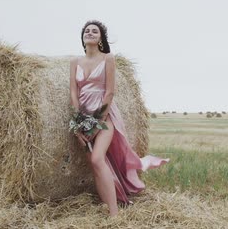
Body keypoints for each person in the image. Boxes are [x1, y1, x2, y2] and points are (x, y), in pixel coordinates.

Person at [69, 20, 169, 216]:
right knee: (95, 164)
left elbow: (109, 92)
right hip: (83, 117)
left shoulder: (108, 59)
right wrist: (77, 124)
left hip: (105, 117)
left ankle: (114, 216)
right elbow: (73, 93)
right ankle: (110, 205)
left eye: (94, 31)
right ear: (83, 37)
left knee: (98, 159)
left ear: (100, 39)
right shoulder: (74, 62)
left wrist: (97, 124)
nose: (89, 33)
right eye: (86, 31)